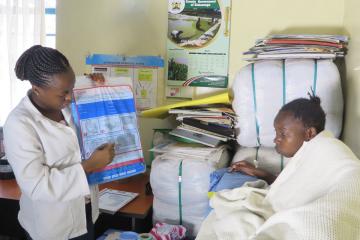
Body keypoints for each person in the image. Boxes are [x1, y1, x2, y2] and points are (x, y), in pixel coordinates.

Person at [196, 95, 360, 239]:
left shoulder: (327, 149)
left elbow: (347, 177)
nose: (276, 140)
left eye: (283, 134)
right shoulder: (308, 155)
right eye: (276, 133)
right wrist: (257, 172)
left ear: (309, 133)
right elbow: (294, 187)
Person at [3, 45, 115, 240]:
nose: (70, 97)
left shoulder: (64, 100)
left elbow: (75, 91)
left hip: (86, 213)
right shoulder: (19, 124)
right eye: (64, 93)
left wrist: (93, 84)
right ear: (37, 89)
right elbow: (37, 185)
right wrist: (88, 166)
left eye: (71, 89)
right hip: (54, 228)